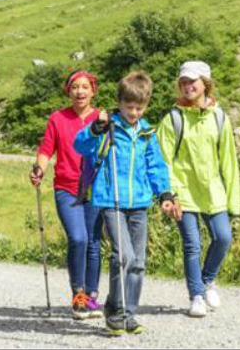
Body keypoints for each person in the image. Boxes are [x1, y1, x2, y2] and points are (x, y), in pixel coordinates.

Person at [74, 71, 175, 335]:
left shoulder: (147, 132)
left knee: (138, 261)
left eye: (139, 108)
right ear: (119, 103)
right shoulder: (108, 126)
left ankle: (128, 313)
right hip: (112, 201)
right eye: (129, 107)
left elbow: (155, 165)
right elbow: (80, 145)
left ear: (146, 106)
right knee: (124, 256)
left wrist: (165, 194)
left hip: (139, 202)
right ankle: (117, 311)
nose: (134, 113)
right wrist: (94, 130)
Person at [156, 60, 240, 318]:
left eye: (192, 81)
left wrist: (233, 201)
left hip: (213, 191)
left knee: (223, 238)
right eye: (183, 82)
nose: (187, 86)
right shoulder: (173, 119)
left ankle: (207, 280)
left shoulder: (220, 117)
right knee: (192, 244)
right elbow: (162, 160)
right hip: (183, 192)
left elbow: (229, 161)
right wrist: (168, 195)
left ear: (205, 83)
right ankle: (196, 296)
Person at [29, 70, 104, 320]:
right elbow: (46, 150)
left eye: (85, 87)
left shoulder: (101, 118)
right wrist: (39, 168)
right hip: (67, 187)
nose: (80, 92)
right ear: (68, 91)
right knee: (78, 238)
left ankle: (91, 296)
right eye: (75, 87)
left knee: (93, 242)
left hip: (96, 188)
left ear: (93, 91)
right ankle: (78, 296)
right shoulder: (58, 118)